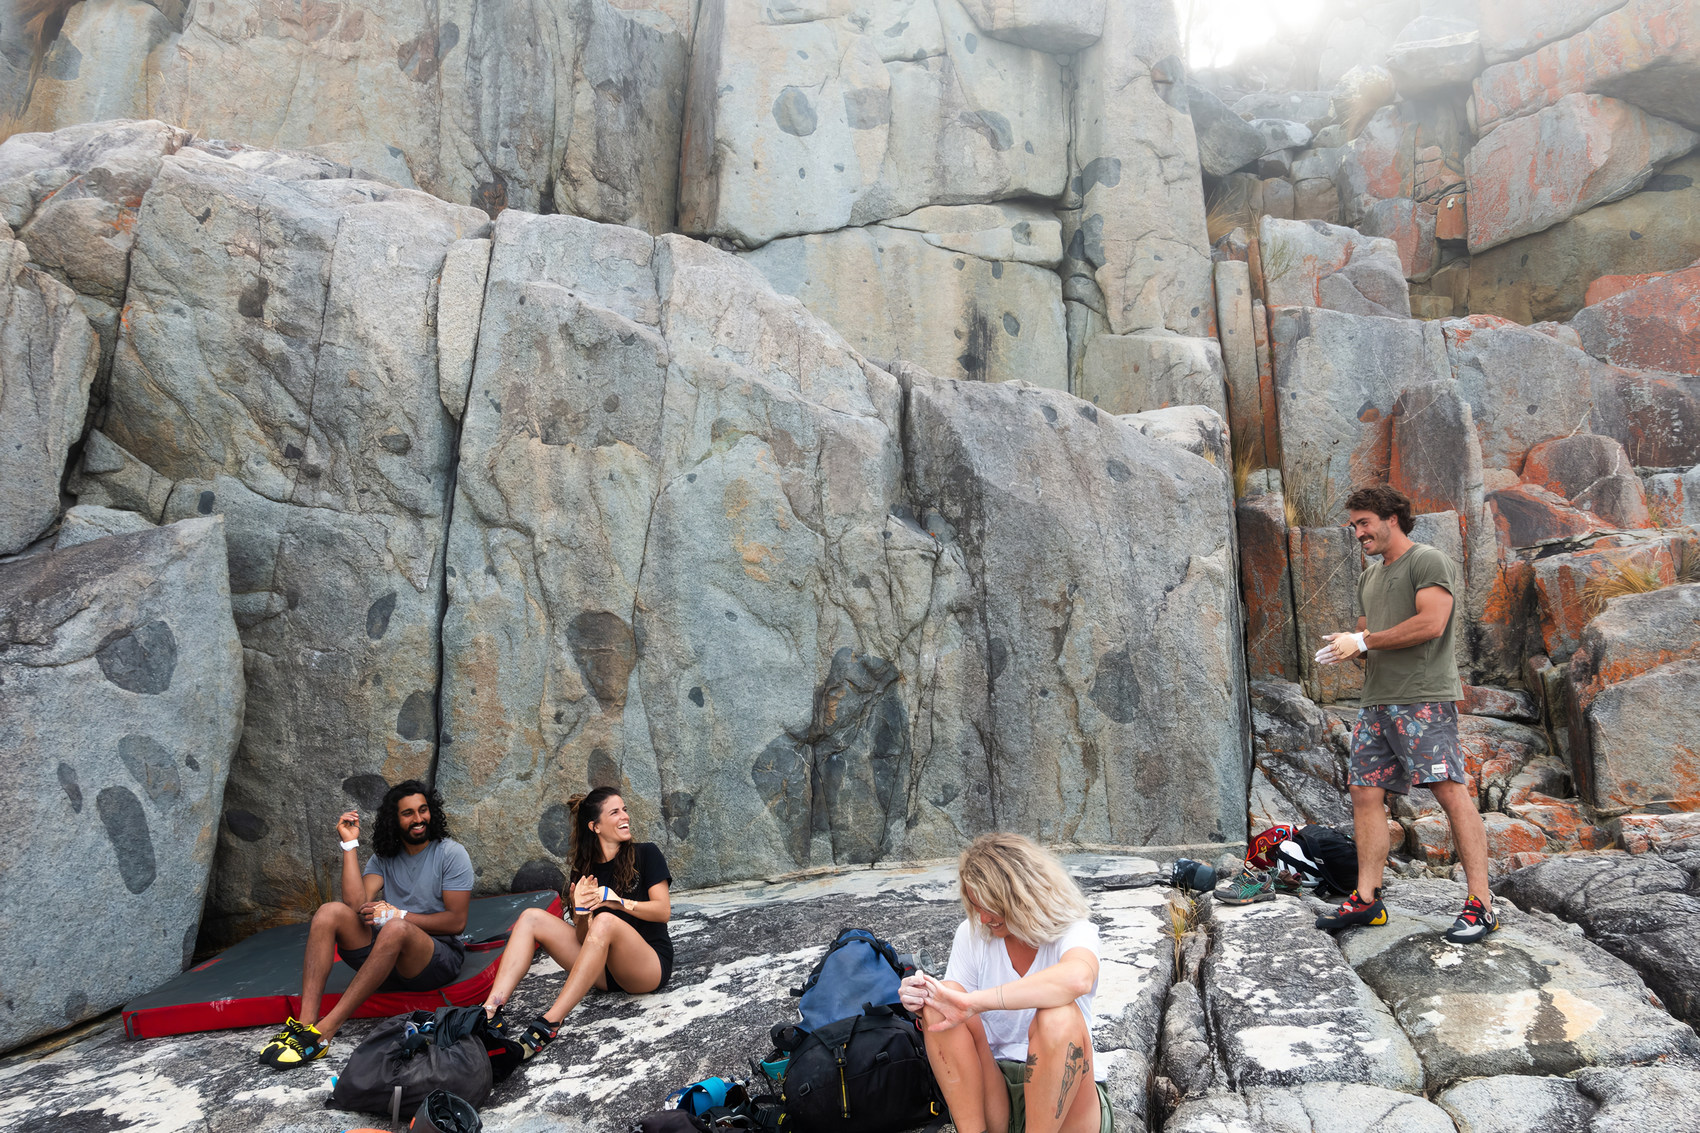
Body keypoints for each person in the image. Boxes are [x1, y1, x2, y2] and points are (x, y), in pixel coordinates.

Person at [1313, 484, 1496, 944]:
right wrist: (1347, 645)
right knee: (1364, 792)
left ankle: (1481, 905)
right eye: (1353, 525)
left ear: (1391, 517)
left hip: (1424, 697)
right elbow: (1365, 632)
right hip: (1377, 701)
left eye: (1364, 522)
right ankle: (1367, 899)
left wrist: (1366, 641)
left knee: (1450, 791)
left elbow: (1431, 623)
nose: (1357, 532)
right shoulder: (1370, 577)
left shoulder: (1427, 561)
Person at [898, 833, 1113, 1133]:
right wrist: (921, 997)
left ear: (1022, 893)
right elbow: (952, 1009)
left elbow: (1077, 978)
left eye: (992, 906)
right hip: (997, 1090)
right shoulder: (972, 933)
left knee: (1059, 1017)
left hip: (1067, 1100)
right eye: (975, 905)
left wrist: (975, 1002)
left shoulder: (1074, 930)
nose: (983, 918)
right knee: (941, 1006)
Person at [259, 780, 474, 1068]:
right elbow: (354, 906)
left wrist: (399, 916)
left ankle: (325, 1031)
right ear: (394, 820)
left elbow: (456, 922)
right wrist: (349, 845)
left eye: (423, 810)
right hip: (386, 957)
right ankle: (304, 1024)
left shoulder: (450, 853)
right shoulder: (384, 858)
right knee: (328, 912)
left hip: (433, 959)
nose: (419, 819)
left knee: (395, 927)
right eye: (408, 813)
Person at [479, 788, 673, 1056]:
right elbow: (585, 939)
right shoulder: (584, 871)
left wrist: (615, 901)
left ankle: (551, 1021)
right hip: (605, 972)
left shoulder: (646, 854)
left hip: (647, 967)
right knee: (530, 917)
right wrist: (581, 913)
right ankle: (490, 1012)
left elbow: (663, 911)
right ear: (595, 826)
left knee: (605, 919)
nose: (624, 816)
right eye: (615, 812)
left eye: (624, 809)